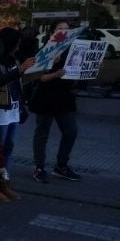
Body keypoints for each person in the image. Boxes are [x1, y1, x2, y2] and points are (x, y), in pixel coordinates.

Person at [0, 28, 35, 201]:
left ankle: (4, 182)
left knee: (8, 147)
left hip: (13, 108)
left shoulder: (13, 59)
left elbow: (18, 83)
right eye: (16, 44)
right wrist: (20, 69)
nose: (18, 48)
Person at [29, 20, 81, 183]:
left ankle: (61, 166)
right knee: (42, 133)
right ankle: (39, 167)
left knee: (71, 132)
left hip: (65, 97)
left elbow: (75, 75)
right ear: (52, 32)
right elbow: (40, 77)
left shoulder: (72, 50)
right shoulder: (45, 50)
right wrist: (55, 73)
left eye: (67, 29)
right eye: (60, 29)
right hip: (46, 97)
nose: (64, 32)